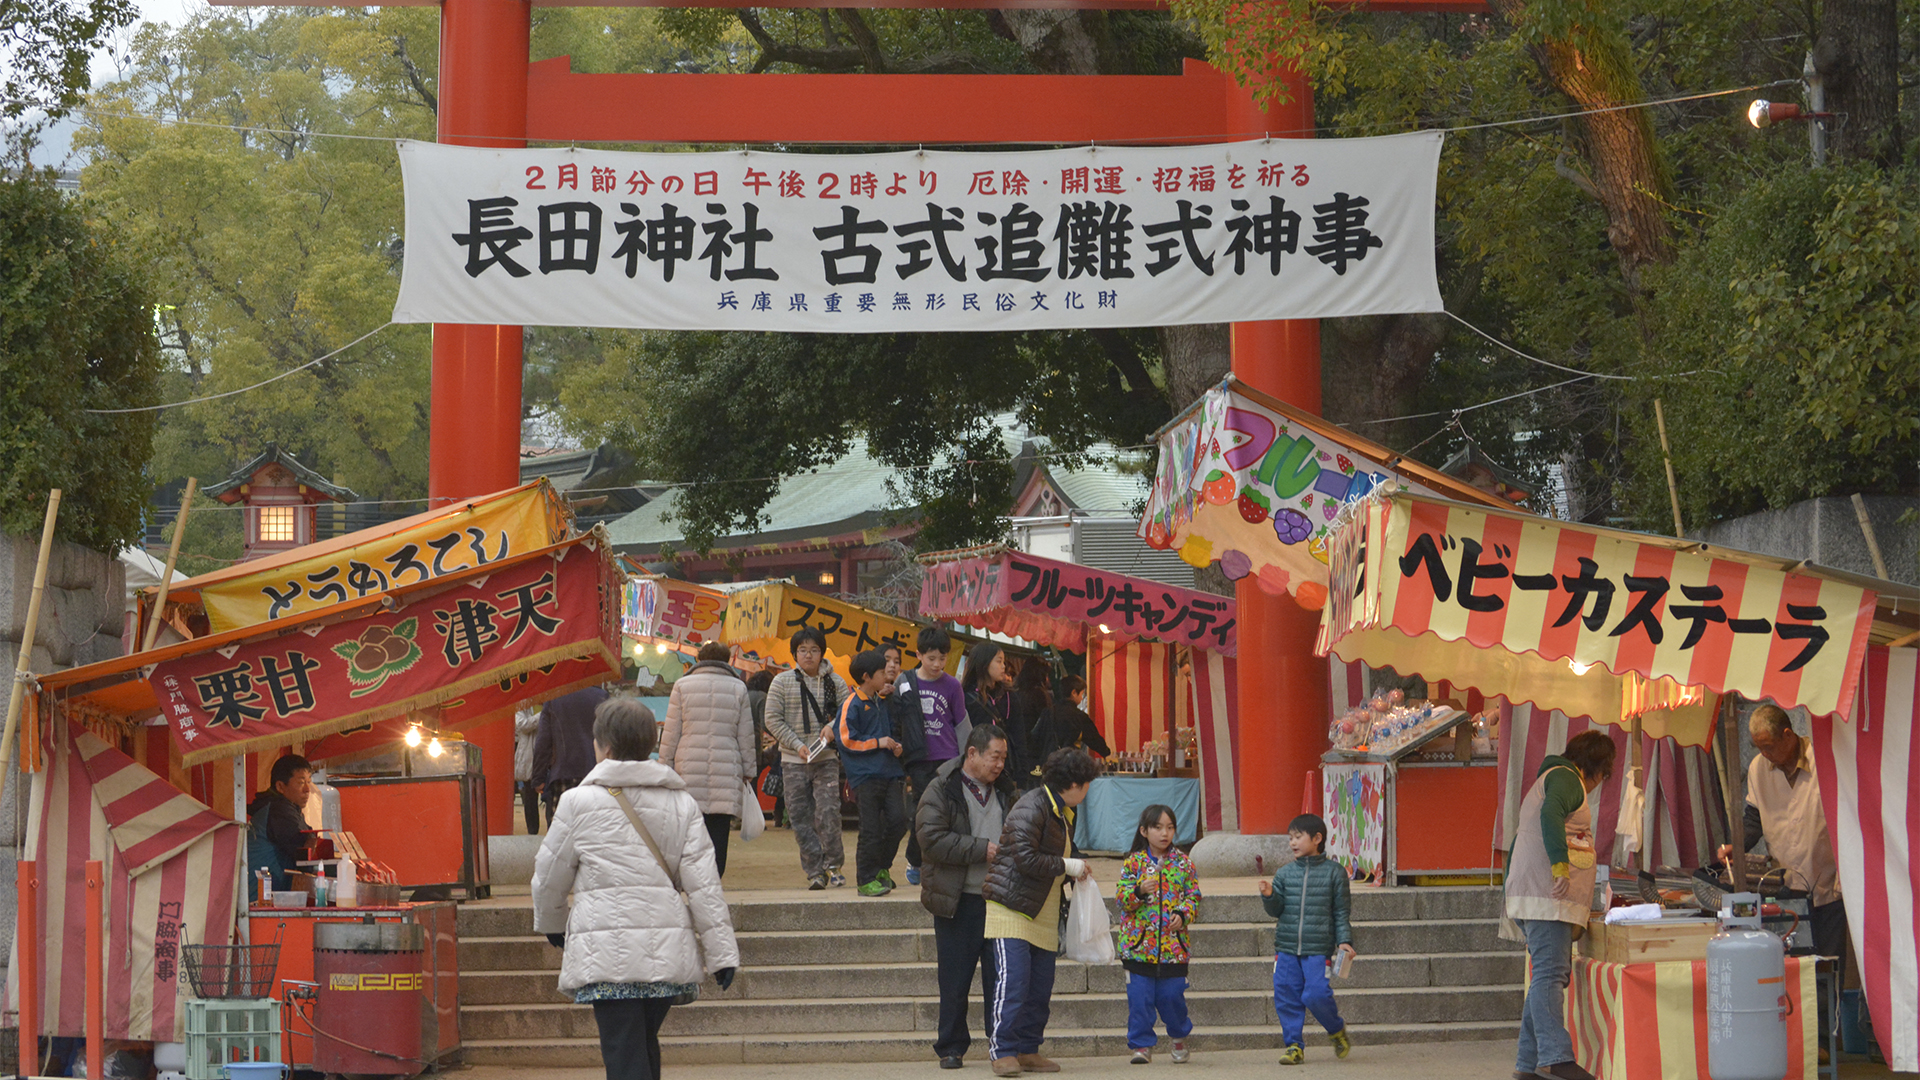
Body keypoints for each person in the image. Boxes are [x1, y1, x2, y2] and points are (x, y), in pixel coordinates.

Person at [532, 696, 741, 1080]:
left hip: (607, 953)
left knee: (625, 1052)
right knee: (642, 1046)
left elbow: (549, 876)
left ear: (604, 747)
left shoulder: (578, 802)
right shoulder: (681, 802)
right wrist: (722, 954)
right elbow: (704, 885)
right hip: (664, 951)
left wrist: (553, 923)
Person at [1718, 705, 1846, 1035]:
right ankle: (1796, 1038)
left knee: (1826, 965)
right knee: (1791, 965)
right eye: (1758, 747)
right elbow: (1753, 820)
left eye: (1769, 745)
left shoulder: (1824, 760)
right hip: (1786, 887)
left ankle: (1823, 1041)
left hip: (1829, 881)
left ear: (1788, 735)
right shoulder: (1760, 768)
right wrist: (1738, 845)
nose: (1764, 753)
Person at [981, 747, 1101, 1078]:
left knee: (1039, 988)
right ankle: (1003, 1050)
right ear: (1074, 784)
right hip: (1012, 910)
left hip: (1042, 912)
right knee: (1014, 983)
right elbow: (1025, 859)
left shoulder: (1061, 811)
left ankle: (1028, 1048)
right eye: (1086, 783)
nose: (1087, 790)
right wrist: (1069, 865)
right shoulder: (1031, 806)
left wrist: (1075, 870)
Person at [1503, 730, 1615, 1080]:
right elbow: (1551, 816)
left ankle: (1528, 1064)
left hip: (1533, 895)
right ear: (1599, 770)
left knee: (1543, 978)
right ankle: (1556, 1056)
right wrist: (1559, 866)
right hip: (1546, 898)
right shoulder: (1567, 780)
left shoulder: (1551, 777)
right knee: (1550, 976)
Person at [916, 723, 1016, 1070]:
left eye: (1003, 758)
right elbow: (930, 839)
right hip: (957, 899)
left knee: (999, 978)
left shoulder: (1005, 790)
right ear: (972, 754)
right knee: (955, 979)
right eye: (994, 757)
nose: (999, 765)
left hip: (997, 898)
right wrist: (981, 850)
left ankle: (1000, 1045)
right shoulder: (942, 788)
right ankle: (951, 1046)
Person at [1259, 813, 1356, 1065]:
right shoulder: (1284, 873)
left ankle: (1335, 1030)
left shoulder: (1335, 873)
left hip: (1318, 948)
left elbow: (1341, 912)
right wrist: (1270, 895)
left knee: (1316, 994)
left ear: (1317, 838)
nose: (1292, 843)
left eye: (1298, 837)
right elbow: (1275, 911)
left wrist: (1345, 941)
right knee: (1286, 995)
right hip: (1286, 947)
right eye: (1290, 838)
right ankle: (1293, 1046)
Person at [763, 627, 852, 890]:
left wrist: (833, 727)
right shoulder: (781, 682)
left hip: (825, 758)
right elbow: (772, 719)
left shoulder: (835, 682)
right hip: (792, 760)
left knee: (828, 813)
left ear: (822, 653)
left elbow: (848, 714)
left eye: (814, 650)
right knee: (799, 817)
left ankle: (833, 865)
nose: (808, 655)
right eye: (802, 650)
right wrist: (796, 744)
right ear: (794, 654)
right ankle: (815, 870)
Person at [661, 642, 758, 877]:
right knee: (719, 829)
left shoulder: (683, 685)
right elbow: (745, 733)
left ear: (699, 660)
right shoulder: (738, 687)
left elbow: (672, 731)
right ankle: (715, 877)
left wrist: (665, 765)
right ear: (727, 661)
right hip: (727, 765)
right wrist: (749, 770)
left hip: (688, 765)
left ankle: (693, 877)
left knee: (691, 828)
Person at [1117, 804, 1200, 1065]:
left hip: (1173, 949)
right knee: (1139, 1000)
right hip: (1138, 946)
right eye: (1158, 827)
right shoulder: (1134, 862)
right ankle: (1141, 1046)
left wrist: (1184, 914)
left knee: (1171, 997)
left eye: (1170, 827)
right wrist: (1139, 891)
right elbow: (1122, 898)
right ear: (1144, 830)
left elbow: (1193, 896)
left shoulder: (1183, 862)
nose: (1165, 833)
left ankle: (1178, 1037)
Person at [898, 627, 969, 886]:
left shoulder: (952, 685)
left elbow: (962, 724)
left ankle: (944, 862)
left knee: (949, 811)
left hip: (948, 758)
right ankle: (915, 859)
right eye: (931, 658)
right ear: (918, 654)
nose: (937, 664)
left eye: (942, 658)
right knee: (921, 811)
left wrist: (967, 759)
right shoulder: (904, 683)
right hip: (918, 759)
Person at [836, 649, 909, 897]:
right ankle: (865, 879)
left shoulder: (880, 701)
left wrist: (895, 746)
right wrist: (879, 742)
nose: (887, 673)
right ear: (867, 677)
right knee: (870, 829)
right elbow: (846, 740)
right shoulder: (851, 703)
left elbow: (888, 734)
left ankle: (881, 868)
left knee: (899, 821)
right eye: (881, 671)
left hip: (889, 773)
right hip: (865, 777)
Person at [534, 684, 611, 821]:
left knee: (560, 834)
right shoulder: (602, 697)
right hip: (594, 776)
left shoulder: (554, 697)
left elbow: (543, 740)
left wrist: (538, 778)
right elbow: (610, 739)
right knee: (592, 830)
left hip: (562, 775)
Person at [964, 643, 1029, 792]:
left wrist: (1022, 774)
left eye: (1003, 661)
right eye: (999, 661)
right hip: (975, 770)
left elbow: (1019, 736)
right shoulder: (966, 697)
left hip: (1004, 770)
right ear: (984, 663)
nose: (1003, 666)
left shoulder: (1009, 697)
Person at [247, 754, 313, 890]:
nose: (307, 789)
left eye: (309, 782)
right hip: (261, 900)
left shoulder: (282, 807)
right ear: (280, 786)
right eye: (301, 783)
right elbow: (305, 851)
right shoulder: (279, 810)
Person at [1028, 675, 1110, 764]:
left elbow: (1035, 736)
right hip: (1070, 763)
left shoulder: (1048, 712)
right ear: (1074, 693)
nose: (1082, 698)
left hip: (1049, 762)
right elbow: (1094, 740)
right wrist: (1106, 752)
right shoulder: (1079, 716)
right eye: (1082, 694)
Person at [515, 705, 543, 835]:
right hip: (529, 756)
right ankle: (532, 832)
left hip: (544, 753)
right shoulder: (522, 706)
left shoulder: (547, 703)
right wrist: (541, 715)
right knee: (530, 797)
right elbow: (522, 725)